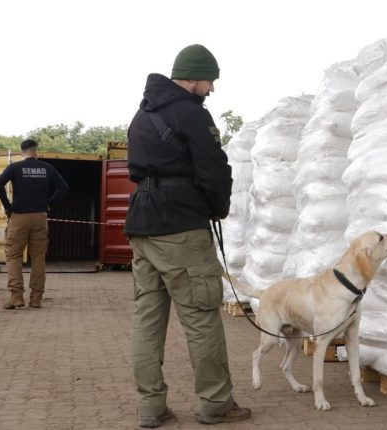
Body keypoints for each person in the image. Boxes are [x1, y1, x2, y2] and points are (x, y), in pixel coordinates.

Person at [125, 44, 250, 428]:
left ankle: (151, 407)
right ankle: (215, 403)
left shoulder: (141, 115)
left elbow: (135, 170)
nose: (211, 88)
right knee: (201, 316)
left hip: (143, 224)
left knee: (148, 319)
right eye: (210, 80)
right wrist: (217, 206)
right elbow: (214, 168)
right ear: (193, 77)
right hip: (180, 225)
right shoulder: (191, 113)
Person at [0, 139, 68, 310]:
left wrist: (7, 207)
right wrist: (49, 204)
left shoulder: (15, 167)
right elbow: (64, 188)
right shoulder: (47, 168)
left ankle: (16, 296)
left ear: (22, 152)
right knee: (38, 257)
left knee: (13, 256)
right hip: (40, 216)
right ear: (36, 152)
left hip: (18, 216)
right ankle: (36, 299)